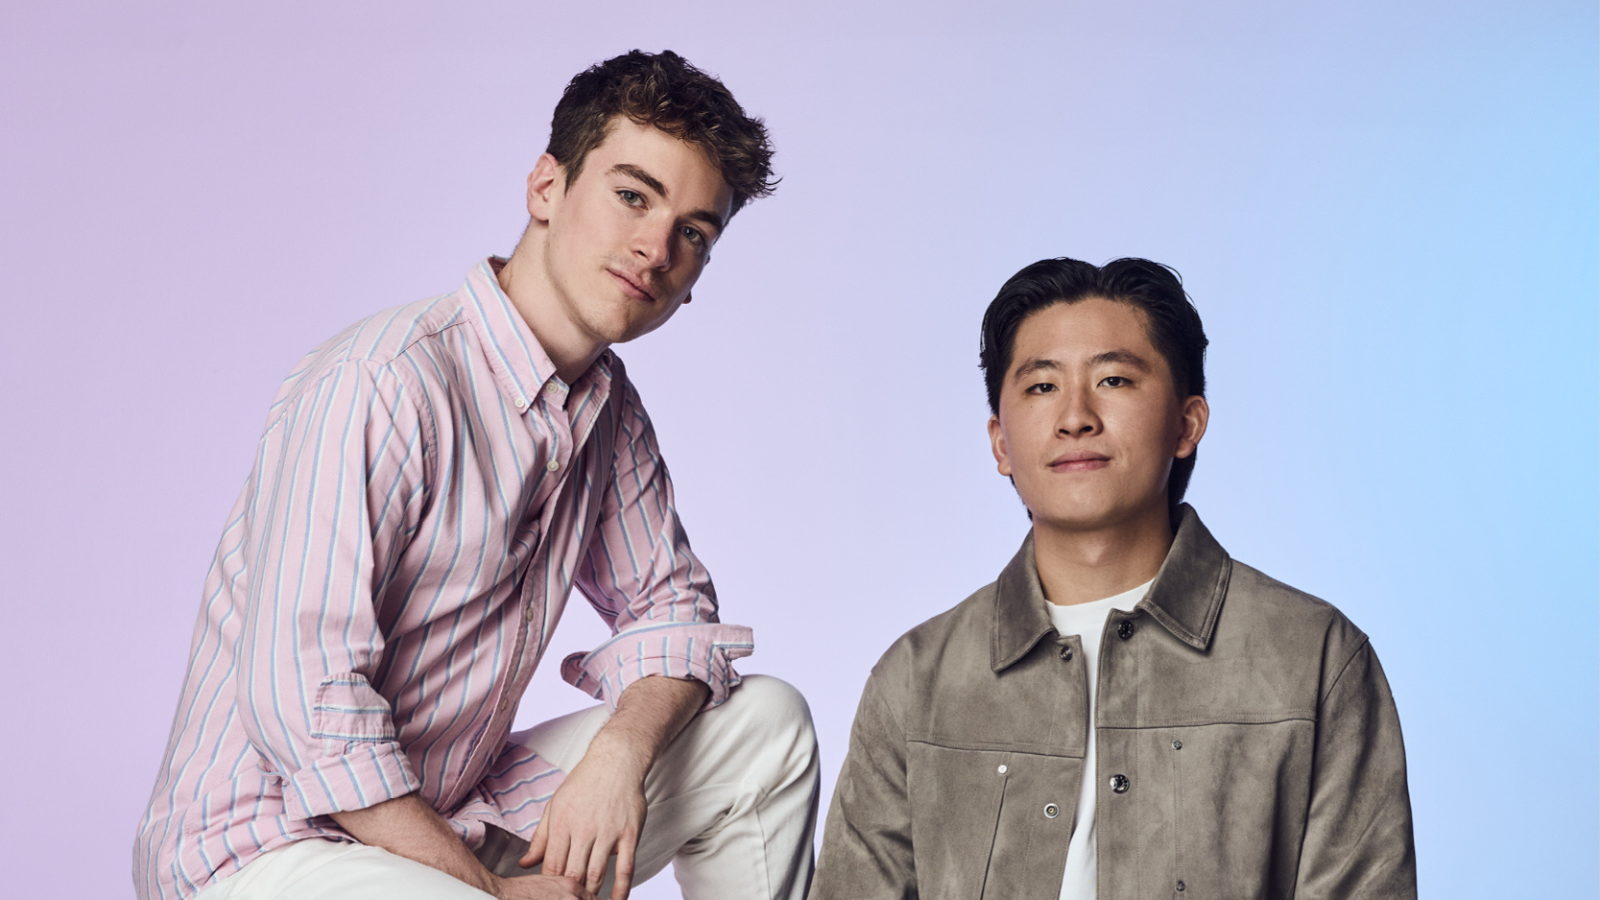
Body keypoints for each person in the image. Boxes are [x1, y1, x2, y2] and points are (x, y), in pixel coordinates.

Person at [134, 50, 819, 900]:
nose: (655, 249)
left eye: (694, 234)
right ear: (546, 189)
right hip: (268, 850)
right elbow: (306, 707)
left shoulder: (608, 409)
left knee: (767, 727)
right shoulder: (383, 382)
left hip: (449, 813)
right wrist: (493, 895)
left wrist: (621, 752)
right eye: (633, 196)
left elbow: (673, 608)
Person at [812, 257, 1415, 899]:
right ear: (1001, 443)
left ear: (1187, 423)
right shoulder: (916, 681)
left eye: (1114, 380)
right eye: (1042, 386)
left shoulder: (1313, 657)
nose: (1075, 417)